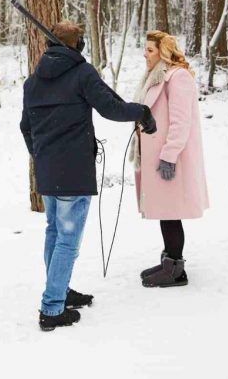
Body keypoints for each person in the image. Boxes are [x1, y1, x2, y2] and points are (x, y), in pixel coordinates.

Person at [20, 21, 156, 332]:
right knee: (67, 239)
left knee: (54, 233)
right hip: (73, 170)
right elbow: (111, 107)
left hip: (47, 169)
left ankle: (61, 290)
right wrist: (142, 112)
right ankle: (52, 308)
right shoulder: (82, 73)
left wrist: (40, 155)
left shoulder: (33, 82)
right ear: (76, 45)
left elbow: (25, 127)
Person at [131, 30, 209, 288]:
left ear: (163, 52)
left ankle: (175, 268)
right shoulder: (158, 76)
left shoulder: (178, 78)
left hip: (171, 157)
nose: (145, 54)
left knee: (171, 212)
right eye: (145, 49)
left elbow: (180, 122)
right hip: (158, 154)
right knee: (166, 210)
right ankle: (169, 260)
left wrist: (169, 156)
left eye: (150, 50)